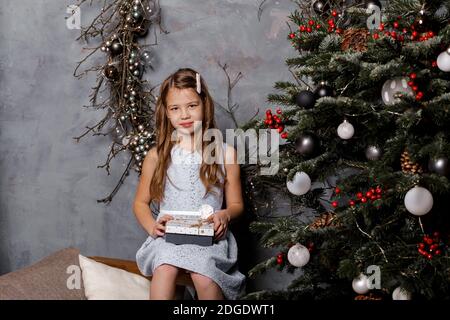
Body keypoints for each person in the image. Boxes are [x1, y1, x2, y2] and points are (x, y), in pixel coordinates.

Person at [134, 68, 246, 300]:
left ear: (205, 104)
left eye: (192, 106)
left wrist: (225, 214)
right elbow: (140, 204)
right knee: (164, 270)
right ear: (166, 112)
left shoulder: (226, 154)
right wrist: (152, 226)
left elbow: (236, 204)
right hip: (169, 238)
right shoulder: (157, 156)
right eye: (175, 108)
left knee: (204, 276)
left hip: (209, 240)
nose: (184, 115)